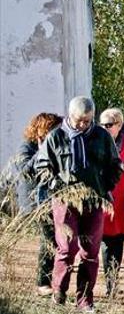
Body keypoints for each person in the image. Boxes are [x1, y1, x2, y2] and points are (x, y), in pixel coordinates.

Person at [35, 96, 122, 312]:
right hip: (65, 200)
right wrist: (56, 182)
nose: (83, 125)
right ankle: (59, 293)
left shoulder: (101, 136)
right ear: (70, 115)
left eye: (87, 121)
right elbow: (42, 166)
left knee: (90, 251)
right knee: (67, 247)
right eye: (79, 121)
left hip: (94, 200)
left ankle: (85, 300)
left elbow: (115, 164)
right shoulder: (56, 136)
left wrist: (105, 187)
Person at [15, 112, 63, 296]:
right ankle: (42, 282)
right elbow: (24, 172)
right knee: (48, 239)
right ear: (44, 129)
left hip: (51, 199)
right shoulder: (27, 146)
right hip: (35, 202)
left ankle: (51, 279)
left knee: (56, 239)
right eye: (54, 129)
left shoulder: (53, 145)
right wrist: (42, 151)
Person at [98, 108, 124, 297]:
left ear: (119, 125)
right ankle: (107, 284)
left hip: (121, 201)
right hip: (103, 198)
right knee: (104, 242)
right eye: (102, 124)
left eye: (109, 125)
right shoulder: (96, 142)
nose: (105, 128)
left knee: (117, 242)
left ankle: (113, 283)